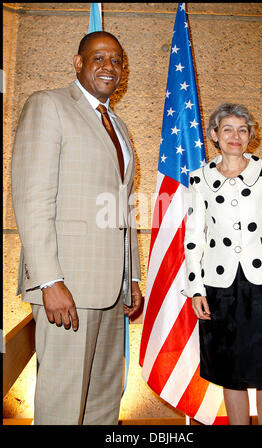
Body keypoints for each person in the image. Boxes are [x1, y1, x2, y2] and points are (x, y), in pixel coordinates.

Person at [11, 31, 142, 425]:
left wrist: (130, 276)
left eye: (117, 60)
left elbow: (123, 207)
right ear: (78, 62)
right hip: (66, 286)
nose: (109, 66)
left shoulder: (118, 126)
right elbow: (32, 199)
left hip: (110, 290)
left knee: (104, 399)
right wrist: (50, 281)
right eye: (98, 57)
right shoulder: (48, 105)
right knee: (63, 403)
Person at [182, 103, 262, 425]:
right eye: (228, 129)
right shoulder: (199, 178)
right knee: (228, 370)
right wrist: (195, 289)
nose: (236, 136)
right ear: (215, 135)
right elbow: (194, 237)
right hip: (218, 288)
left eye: (243, 130)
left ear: (251, 136)